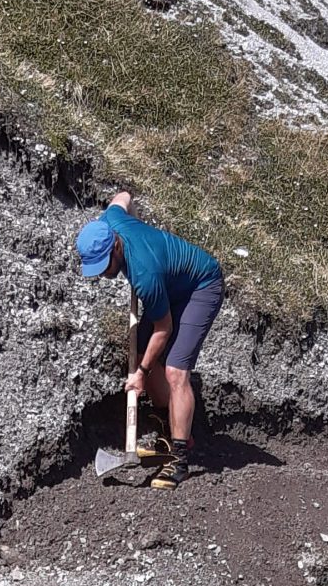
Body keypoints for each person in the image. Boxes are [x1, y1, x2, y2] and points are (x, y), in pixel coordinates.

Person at [75, 191, 224, 485]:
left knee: (175, 370)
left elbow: (164, 329)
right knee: (145, 350)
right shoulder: (112, 220)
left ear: (116, 247)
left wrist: (141, 373)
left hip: (202, 286)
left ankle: (179, 460)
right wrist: (139, 225)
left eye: (104, 265)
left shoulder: (144, 273)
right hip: (172, 285)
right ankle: (169, 432)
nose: (103, 274)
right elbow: (123, 196)